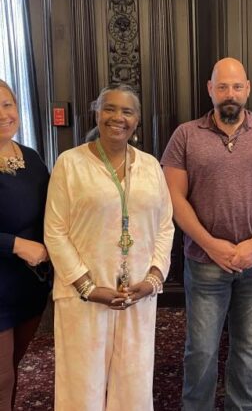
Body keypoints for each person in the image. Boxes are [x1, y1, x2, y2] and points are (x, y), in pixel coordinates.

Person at [162, 57, 252, 410]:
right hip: (205, 263)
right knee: (201, 350)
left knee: (249, 349)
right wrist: (211, 245)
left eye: (237, 86)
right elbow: (174, 198)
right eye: (222, 86)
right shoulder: (186, 134)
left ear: (248, 89)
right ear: (210, 89)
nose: (230, 94)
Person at [44, 84, 174, 411]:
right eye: (110, 109)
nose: (118, 117)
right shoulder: (69, 164)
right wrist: (87, 286)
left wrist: (153, 279)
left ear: (138, 120)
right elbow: (55, 231)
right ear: (97, 113)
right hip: (83, 296)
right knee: (81, 383)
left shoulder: (150, 166)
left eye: (127, 111)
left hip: (137, 295)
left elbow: (165, 225)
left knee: (134, 379)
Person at [0, 79, 51, 411]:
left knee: (12, 371)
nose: (4, 114)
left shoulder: (30, 157)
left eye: (7, 104)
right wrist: (14, 244)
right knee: (1, 379)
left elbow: (54, 212)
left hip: (29, 289)